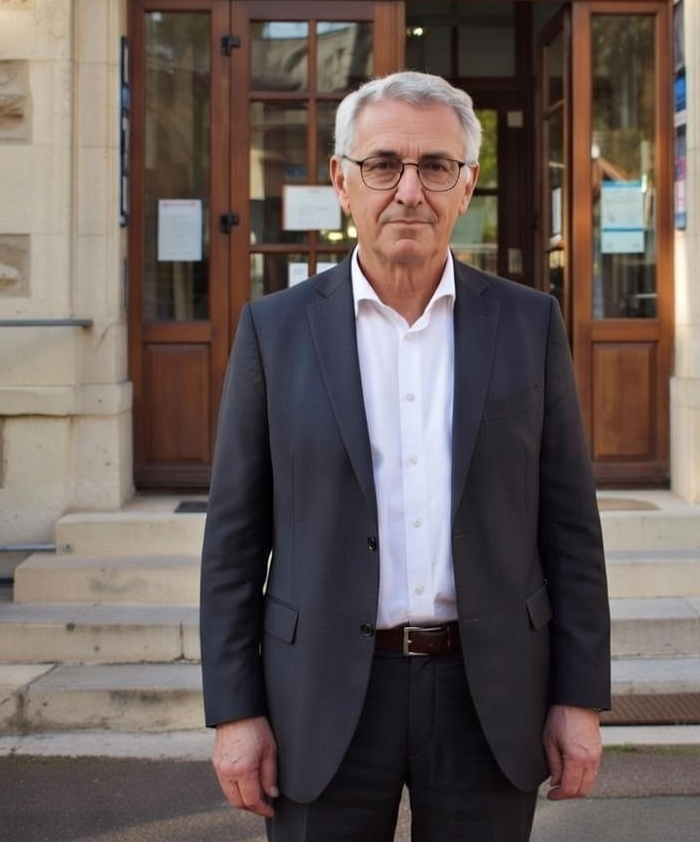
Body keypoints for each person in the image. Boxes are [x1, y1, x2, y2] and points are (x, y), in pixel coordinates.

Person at [200, 70, 611, 842]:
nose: (410, 192)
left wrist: (579, 698)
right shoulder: (273, 332)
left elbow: (570, 532)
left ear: (468, 184)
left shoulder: (529, 325)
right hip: (319, 695)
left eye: (436, 167)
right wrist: (234, 711)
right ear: (341, 182)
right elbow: (233, 542)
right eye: (384, 165)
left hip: (488, 694)